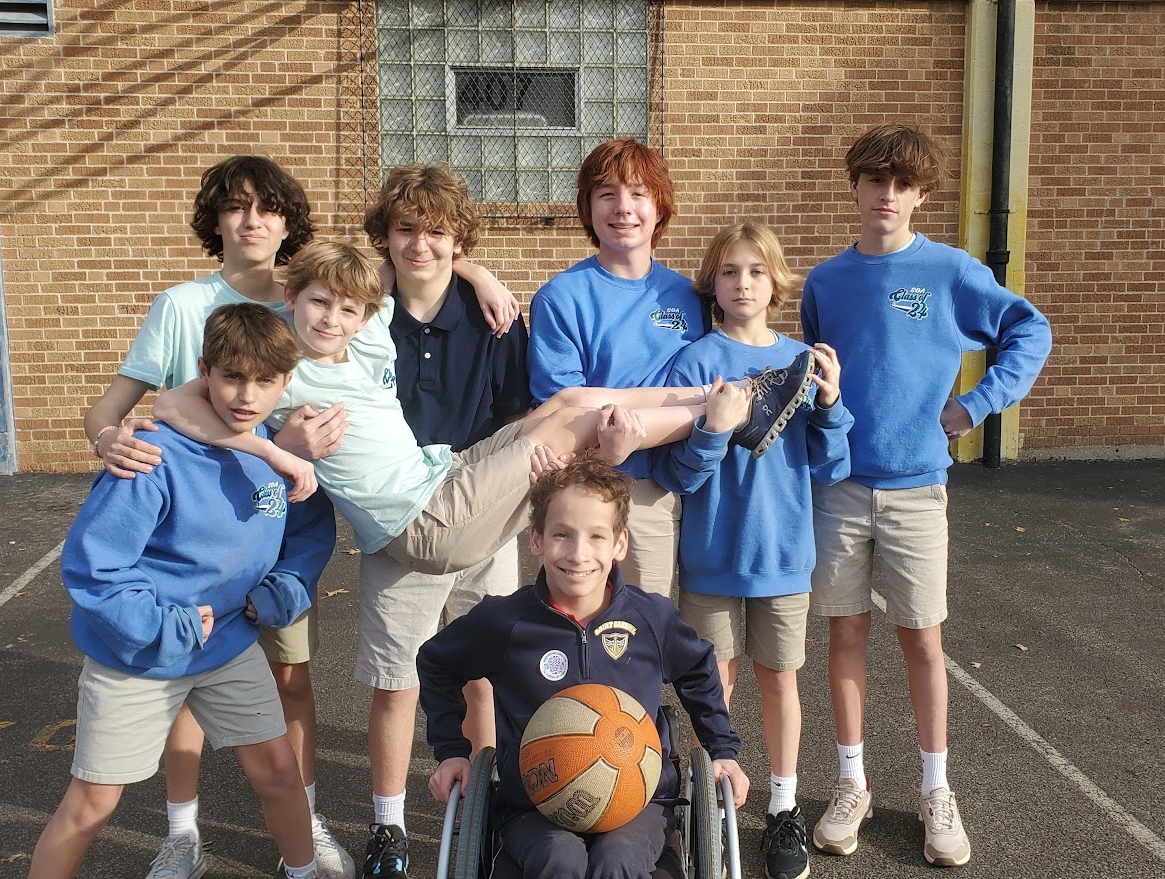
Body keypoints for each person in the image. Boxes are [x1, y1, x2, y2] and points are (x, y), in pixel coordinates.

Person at [81, 155, 520, 879]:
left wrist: (474, 270)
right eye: (235, 207)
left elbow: (408, 256)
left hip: (281, 523)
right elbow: (126, 405)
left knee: (291, 676)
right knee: (179, 671)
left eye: (268, 208)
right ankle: (182, 830)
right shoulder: (185, 305)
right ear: (214, 219)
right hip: (197, 519)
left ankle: (305, 822)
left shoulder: (322, 300)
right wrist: (109, 438)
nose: (252, 221)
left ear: (289, 223)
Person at [151, 238, 809, 583]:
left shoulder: (367, 330)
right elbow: (176, 399)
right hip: (422, 522)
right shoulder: (278, 360)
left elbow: (413, 255)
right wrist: (275, 449)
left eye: (345, 306)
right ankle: (741, 408)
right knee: (579, 427)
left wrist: (474, 271)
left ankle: (723, 395)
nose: (332, 318)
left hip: (440, 475)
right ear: (291, 295)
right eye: (317, 303)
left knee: (570, 401)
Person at [801, 124, 1051, 868]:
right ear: (853, 185)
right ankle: (852, 782)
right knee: (843, 635)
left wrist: (973, 406)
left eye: (902, 184)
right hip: (841, 488)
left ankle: (936, 789)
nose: (886, 194)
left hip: (916, 490)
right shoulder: (824, 281)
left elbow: (1027, 330)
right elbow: (820, 383)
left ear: (919, 195)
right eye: (874, 180)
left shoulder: (948, 272)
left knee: (922, 640)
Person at [28, 303, 338, 879]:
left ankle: (303, 871)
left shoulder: (278, 456)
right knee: (93, 803)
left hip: (227, 641)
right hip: (138, 652)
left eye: (265, 380)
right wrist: (164, 626)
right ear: (204, 371)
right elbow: (93, 567)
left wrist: (281, 593)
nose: (247, 395)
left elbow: (306, 540)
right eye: (231, 377)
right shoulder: (152, 456)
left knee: (277, 771)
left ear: (286, 382)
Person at [416, 451, 751, 879]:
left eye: (596, 536)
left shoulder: (650, 619)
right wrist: (451, 751)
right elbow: (437, 662)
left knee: (618, 862)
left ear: (620, 544)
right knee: (561, 861)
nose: (578, 554)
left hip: (639, 799)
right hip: (534, 802)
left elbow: (699, 667)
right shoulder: (507, 622)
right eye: (561, 535)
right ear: (535, 539)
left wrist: (722, 748)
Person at [653, 222, 853, 879]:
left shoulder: (800, 359)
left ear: (776, 282)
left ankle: (783, 806)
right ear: (711, 282)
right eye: (731, 271)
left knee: (779, 679)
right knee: (715, 685)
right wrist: (716, 426)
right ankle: (711, 802)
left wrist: (828, 405)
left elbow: (830, 466)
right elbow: (680, 472)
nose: (743, 283)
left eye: (756, 272)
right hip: (711, 556)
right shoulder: (693, 361)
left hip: (782, 556)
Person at [353, 164, 533, 878]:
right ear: (384, 238)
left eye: (436, 232)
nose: (420, 245)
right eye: (405, 230)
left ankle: (483, 804)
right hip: (398, 512)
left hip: (479, 505)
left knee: (484, 674)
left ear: (458, 238)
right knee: (396, 680)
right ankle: (388, 826)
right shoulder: (362, 311)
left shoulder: (491, 318)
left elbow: (517, 417)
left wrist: (481, 276)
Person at [526, 139, 709, 597]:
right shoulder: (562, 297)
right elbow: (563, 413)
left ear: (660, 207)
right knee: (578, 632)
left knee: (650, 639)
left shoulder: (691, 298)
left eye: (638, 193)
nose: (623, 208)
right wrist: (611, 449)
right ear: (588, 208)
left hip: (670, 489)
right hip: (588, 492)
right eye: (607, 193)